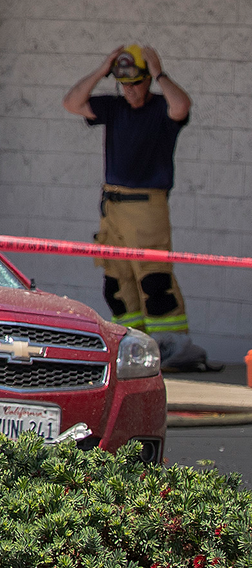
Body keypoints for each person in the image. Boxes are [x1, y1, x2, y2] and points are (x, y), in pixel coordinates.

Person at [62, 44, 207, 369]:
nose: (130, 90)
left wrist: (159, 71)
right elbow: (72, 102)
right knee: (116, 282)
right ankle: (135, 347)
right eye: (124, 84)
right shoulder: (114, 107)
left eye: (137, 83)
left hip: (146, 206)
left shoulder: (161, 108)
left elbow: (182, 106)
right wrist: (102, 69)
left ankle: (173, 349)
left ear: (148, 81)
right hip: (113, 208)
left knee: (154, 281)